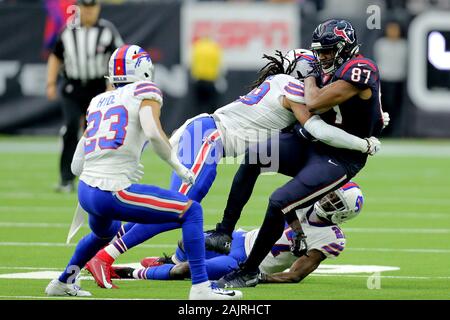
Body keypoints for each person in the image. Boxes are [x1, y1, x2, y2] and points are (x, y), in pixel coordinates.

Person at [83, 48, 382, 288]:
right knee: (179, 209)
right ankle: (106, 255)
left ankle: (103, 248)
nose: (318, 77)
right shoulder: (294, 90)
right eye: (312, 72)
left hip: (203, 135)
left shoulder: (282, 85)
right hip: (208, 138)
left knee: (171, 208)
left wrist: (377, 115)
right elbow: (319, 126)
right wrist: (365, 140)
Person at [44, 44, 242, 300]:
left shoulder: (98, 101)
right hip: (111, 191)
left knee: (104, 232)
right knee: (191, 210)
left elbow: (76, 165)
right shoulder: (144, 91)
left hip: (86, 190)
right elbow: (153, 133)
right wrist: (179, 167)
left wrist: (108, 165)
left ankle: (63, 281)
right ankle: (202, 289)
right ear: (145, 70)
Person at [206, 19, 386, 288]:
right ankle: (224, 231)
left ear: (345, 46)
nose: (322, 56)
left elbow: (314, 101)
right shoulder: (328, 68)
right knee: (255, 157)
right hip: (310, 141)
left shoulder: (360, 68)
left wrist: (310, 75)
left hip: (340, 156)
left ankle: (249, 271)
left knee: (280, 201)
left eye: (328, 50)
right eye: (319, 51)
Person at [111, 182, 363, 284]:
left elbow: (296, 275)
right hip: (241, 238)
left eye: (335, 201)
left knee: (191, 270)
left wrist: (260, 278)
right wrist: (295, 227)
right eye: (331, 194)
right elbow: (282, 201)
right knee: (188, 240)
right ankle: (167, 262)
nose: (328, 199)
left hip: (244, 262)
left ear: (343, 214)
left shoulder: (331, 240)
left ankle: (135, 273)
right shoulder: (308, 200)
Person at [47, 0, 123, 192]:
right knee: (71, 126)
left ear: (98, 8)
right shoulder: (67, 31)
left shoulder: (107, 31)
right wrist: (50, 83)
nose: (89, 11)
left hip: (98, 88)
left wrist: (111, 85)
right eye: (85, 7)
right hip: (73, 87)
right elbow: (55, 56)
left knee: (95, 133)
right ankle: (66, 179)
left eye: (92, 7)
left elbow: (118, 58)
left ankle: (95, 178)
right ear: (79, 8)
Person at [373, 21, 407, 137]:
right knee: (383, 106)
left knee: (395, 108)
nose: (393, 32)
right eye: (390, 29)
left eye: (395, 29)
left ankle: (393, 132)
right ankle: (381, 130)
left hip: (398, 80)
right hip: (384, 80)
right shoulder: (381, 44)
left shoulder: (404, 45)